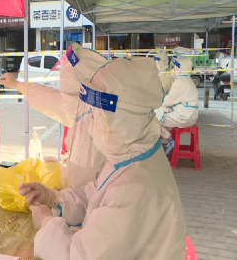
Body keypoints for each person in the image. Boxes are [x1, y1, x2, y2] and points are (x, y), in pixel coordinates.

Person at [17, 56, 186, 260]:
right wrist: (55, 198)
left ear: (123, 120)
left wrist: (46, 222)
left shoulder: (134, 187)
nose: (91, 123)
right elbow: (95, 195)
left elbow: (78, 257)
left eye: (98, 115)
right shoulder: (133, 152)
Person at [0, 43, 108, 189]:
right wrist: (17, 85)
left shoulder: (93, 130)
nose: (64, 101)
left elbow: (81, 186)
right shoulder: (92, 111)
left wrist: (53, 192)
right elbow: (52, 100)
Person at [154, 54, 199, 156]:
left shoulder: (181, 81)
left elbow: (168, 101)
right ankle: (168, 141)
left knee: (154, 119)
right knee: (158, 113)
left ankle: (169, 140)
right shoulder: (187, 80)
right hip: (187, 114)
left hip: (184, 116)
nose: (173, 69)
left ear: (180, 68)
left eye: (175, 67)